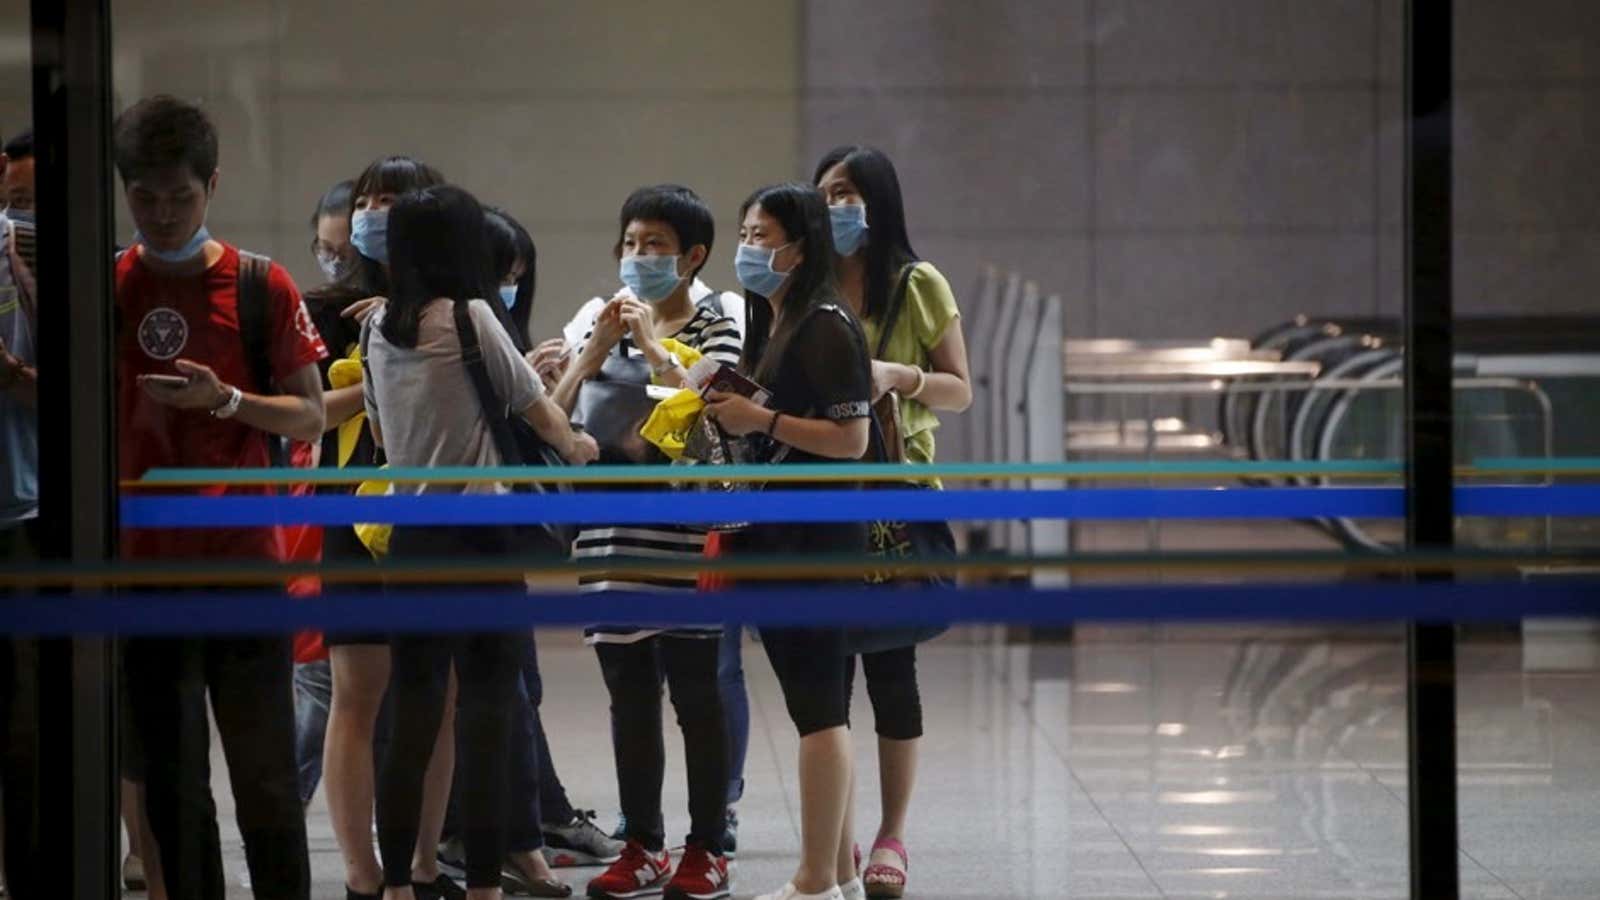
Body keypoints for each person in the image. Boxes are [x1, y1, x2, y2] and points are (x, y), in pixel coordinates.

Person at [114, 94, 324, 900]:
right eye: (146, 197)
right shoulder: (108, 286)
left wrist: (227, 401)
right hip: (144, 574)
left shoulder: (259, 284)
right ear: (126, 191)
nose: (164, 214)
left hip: (243, 568)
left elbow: (306, 411)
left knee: (266, 780)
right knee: (171, 786)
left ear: (213, 187)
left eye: (182, 197)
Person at [361, 183, 596, 900]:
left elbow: (378, 433)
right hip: (482, 538)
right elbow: (537, 411)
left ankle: (398, 883)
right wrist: (580, 448)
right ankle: (488, 883)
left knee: (412, 713)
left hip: (411, 541)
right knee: (490, 711)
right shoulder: (470, 317)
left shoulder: (378, 329)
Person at [541, 185, 741, 900]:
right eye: (629, 243)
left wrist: (655, 348)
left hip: (686, 536)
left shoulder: (721, 322)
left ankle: (708, 846)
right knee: (628, 697)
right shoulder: (595, 324)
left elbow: (712, 422)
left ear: (693, 256)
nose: (638, 258)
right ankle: (642, 843)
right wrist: (589, 353)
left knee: (697, 695)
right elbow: (552, 422)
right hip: (608, 536)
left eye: (655, 245)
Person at [433, 206, 616, 895]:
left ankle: (519, 837)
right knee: (491, 693)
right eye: (503, 274)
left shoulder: (468, 326)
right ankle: (492, 846)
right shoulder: (462, 326)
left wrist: (540, 377)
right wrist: (576, 373)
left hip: (479, 536)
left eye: (519, 277)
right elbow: (537, 427)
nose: (511, 288)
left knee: (512, 688)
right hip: (473, 537)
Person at [701, 183, 874, 900]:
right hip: (780, 536)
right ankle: (838, 871)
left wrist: (758, 420)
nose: (749, 247)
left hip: (814, 542)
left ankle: (813, 880)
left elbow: (852, 438)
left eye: (761, 233)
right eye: (744, 231)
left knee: (818, 709)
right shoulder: (778, 322)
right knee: (821, 704)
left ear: (798, 246)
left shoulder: (825, 325)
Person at [814, 145, 971, 899]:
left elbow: (959, 390)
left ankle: (891, 835)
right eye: (824, 195)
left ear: (876, 202)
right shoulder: (806, 281)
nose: (833, 207)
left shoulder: (916, 283)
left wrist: (900, 376)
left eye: (845, 193)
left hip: (896, 492)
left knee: (891, 667)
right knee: (823, 670)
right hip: (818, 495)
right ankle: (834, 830)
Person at [303, 156, 462, 900]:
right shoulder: (326, 310)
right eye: (365, 199)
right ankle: (363, 872)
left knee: (439, 694)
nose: (372, 214)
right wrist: (375, 360)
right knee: (356, 693)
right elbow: (304, 411)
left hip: (435, 516)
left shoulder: (456, 308)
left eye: (390, 200)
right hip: (350, 512)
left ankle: (425, 862)